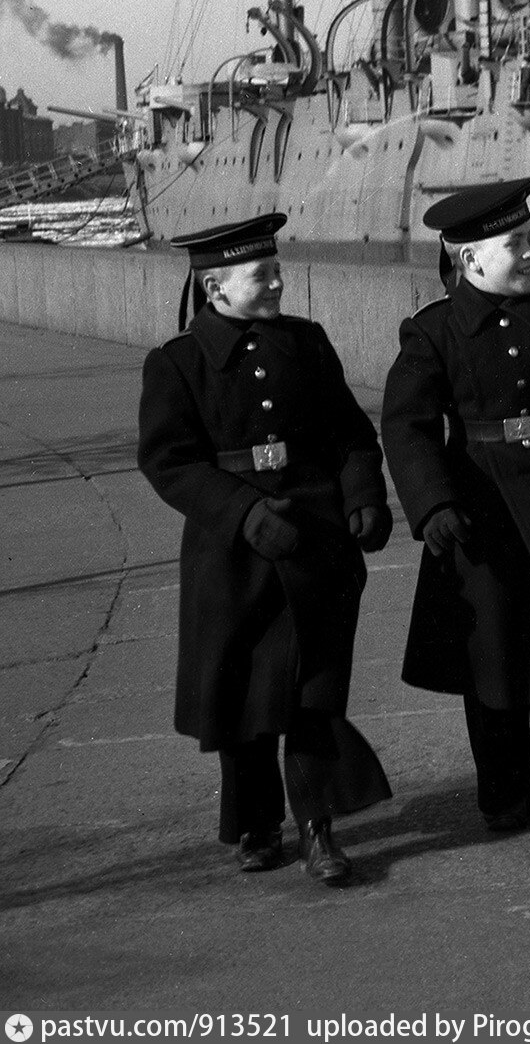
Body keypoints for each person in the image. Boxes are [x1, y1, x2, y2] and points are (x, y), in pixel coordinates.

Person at [136, 213, 393, 885]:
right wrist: (244, 512)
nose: (278, 281)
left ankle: (319, 829)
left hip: (317, 550)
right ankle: (256, 824)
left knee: (315, 695)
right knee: (246, 696)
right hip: (233, 559)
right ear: (215, 286)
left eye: (276, 268)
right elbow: (170, 462)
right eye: (261, 274)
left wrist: (364, 495)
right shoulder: (177, 364)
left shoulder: (306, 346)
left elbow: (348, 433)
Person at [380, 177, 530, 846]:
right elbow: (406, 426)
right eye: (514, 243)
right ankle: (503, 790)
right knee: (490, 658)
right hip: (477, 514)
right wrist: (431, 503)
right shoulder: (433, 332)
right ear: (469, 259)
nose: (529, 254)